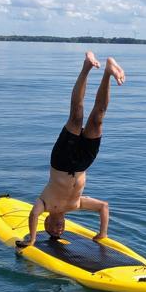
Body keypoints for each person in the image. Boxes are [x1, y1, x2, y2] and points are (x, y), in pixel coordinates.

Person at [17, 52, 125, 249]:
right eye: (60, 231)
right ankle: (108, 72)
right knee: (98, 117)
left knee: (76, 115)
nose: (58, 230)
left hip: (62, 161)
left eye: (52, 230)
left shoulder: (45, 204)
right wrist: (102, 234)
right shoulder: (76, 205)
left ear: (46, 223)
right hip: (83, 162)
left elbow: (33, 214)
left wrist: (32, 239)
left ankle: (86, 67)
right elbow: (103, 207)